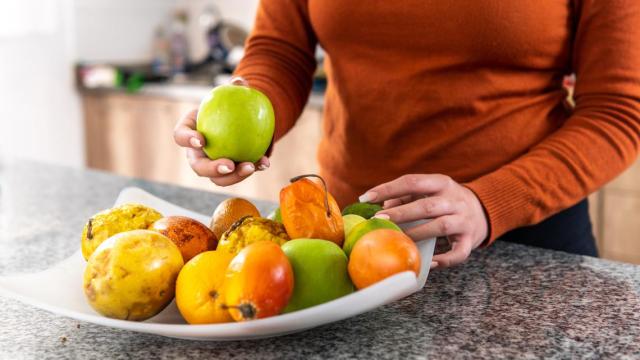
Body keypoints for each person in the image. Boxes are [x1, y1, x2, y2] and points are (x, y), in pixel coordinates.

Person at [174, 1, 640, 269]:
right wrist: (249, 108)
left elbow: (618, 111)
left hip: (524, 237)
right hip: (344, 232)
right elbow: (282, 50)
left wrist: (487, 202)